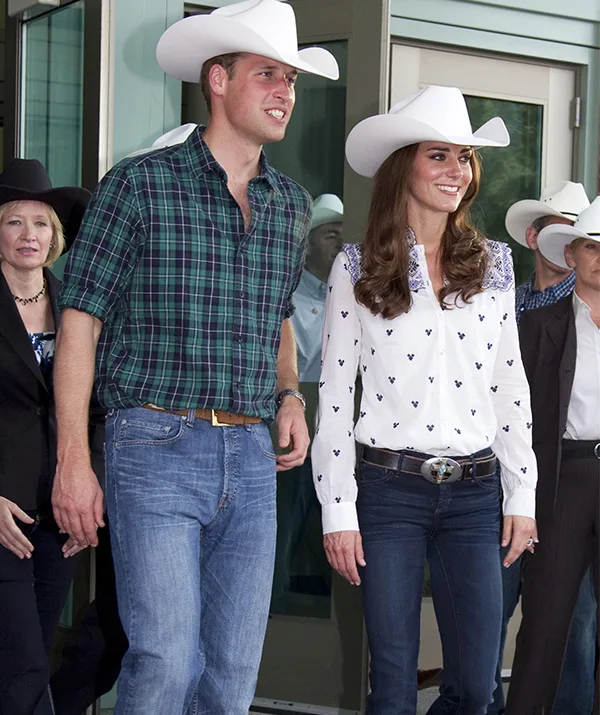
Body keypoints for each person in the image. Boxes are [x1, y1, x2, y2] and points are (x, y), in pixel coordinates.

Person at [50, 2, 339, 714]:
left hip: (251, 454)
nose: (285, 92)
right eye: (267, 74)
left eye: (291, 79)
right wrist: (73, 459)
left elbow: (277, 316)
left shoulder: (290, 204)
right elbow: (80, 321)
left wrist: (290, 394)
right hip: (152, 443)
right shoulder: (139, 184)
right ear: (218, 79)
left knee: (233, 672)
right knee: (166, 660)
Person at [312, 85, 538, 715]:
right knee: (392, 684)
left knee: (477, 687)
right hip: (388, 494)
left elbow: (510, 384)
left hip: (477, 494)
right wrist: (338, 510)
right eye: (438, 155)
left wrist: (521, 493)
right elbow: (335, 396)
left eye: (464, 157)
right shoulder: (355, 267)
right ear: (402, 167)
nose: (455, 170)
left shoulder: (495, 264)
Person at [50, 125, 197, 715]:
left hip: (190, 459)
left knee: (146, 628)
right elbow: (83, 357)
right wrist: (78, 468)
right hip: (121, 455)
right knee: (123, 622)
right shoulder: (115, 252)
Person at [488, 182, 595, 714]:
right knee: (539, 618)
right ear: (569, 253)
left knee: (578, 623)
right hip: (550, 479)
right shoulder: (526, 319)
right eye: (592, 246)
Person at [0, 159, 89, 715]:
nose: (28, 234)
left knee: (35, 649)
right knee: (25, 666)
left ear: (55, 236)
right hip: (2, 511)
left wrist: (87, 493)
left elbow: (97, 408)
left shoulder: (75, 305)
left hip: (58, 514)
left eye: (40, 223)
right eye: (13, 221)